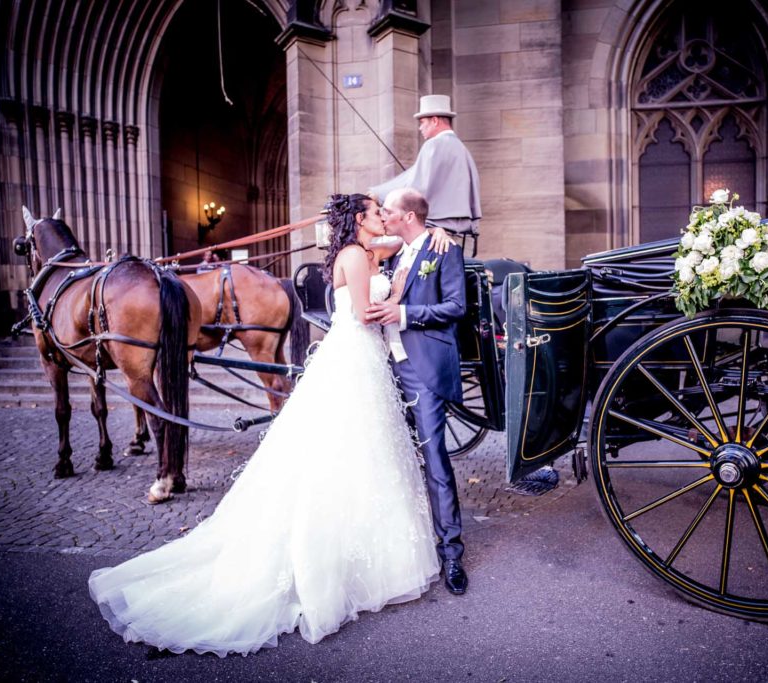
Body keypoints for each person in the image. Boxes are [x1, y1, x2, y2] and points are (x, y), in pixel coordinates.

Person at [88, 194, 440, 654]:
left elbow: (402, 239)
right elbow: (363, 314)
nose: (385, 218)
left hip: (360, 361)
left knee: (360, 452)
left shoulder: (368, 250)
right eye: (376, 212)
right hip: (356, 356)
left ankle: (364, 551)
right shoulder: (356, 256)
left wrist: (430, 232)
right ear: (359, 220)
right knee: (346, 451)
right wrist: (396, 296)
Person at [365, 188, 469, 596]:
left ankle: (452, 553)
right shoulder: (396, 249)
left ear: (407, 217)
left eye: (389, 211)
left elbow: (456, 307)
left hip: (421, 368)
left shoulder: (445, 251)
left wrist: (405, 313)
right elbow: (361, 237)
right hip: (385, 368)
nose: (384, 216)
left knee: (434, 458)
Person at [370, 94, 482, 238]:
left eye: (422, 122)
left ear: (434, 120)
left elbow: (415, 187)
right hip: (461, 233)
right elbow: (414, 175)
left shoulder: (433, 144)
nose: (420, 127)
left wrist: (378, 194)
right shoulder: (462, 149)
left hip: (435, 234)